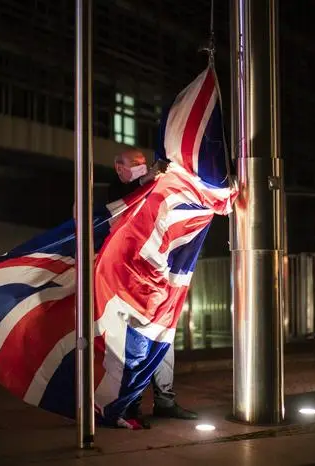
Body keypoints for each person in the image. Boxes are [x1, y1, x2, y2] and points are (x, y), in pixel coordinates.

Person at [106, 148, 198, 429]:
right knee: (134, 344)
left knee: (163, 339)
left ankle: (165, 400)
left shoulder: (151, 187)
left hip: (156, 278)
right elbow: (121, 203)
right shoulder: (114, 194)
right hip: (127, 283)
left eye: (139, 164)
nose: (135, 168)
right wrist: (147, 179)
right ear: (118, 168)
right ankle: (130, 405)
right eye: (130, 165)